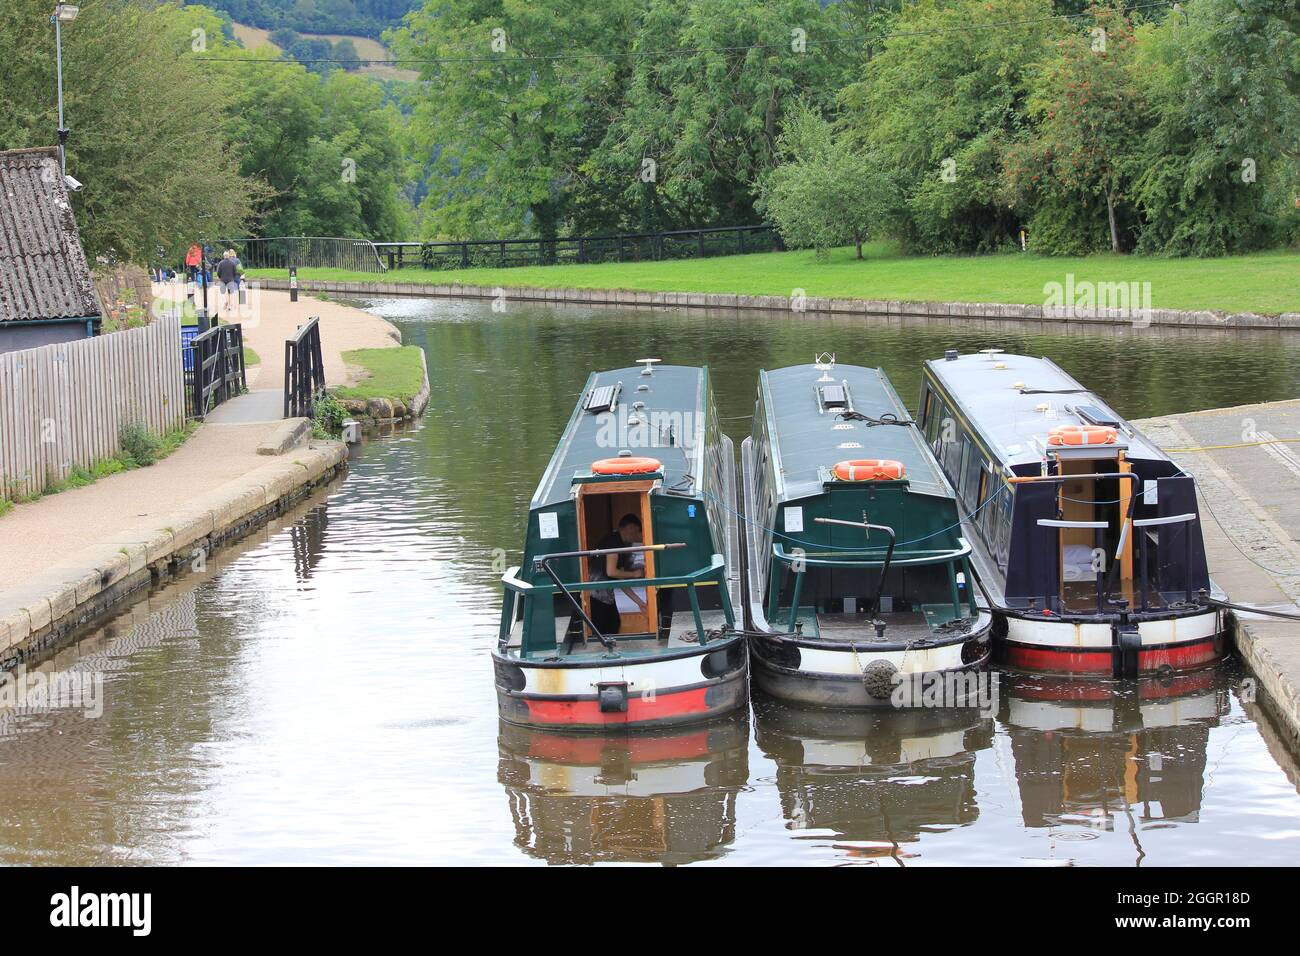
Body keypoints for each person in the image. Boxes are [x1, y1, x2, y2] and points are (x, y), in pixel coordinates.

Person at [587, 513, 645, 636]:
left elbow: (620, 577)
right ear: (631, 528)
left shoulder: (621, 544)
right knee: (605, 627)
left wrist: (639, 602)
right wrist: (634, 574)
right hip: (595, 594)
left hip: (605, 595)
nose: (639, 535)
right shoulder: (613, 542)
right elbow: (611, 571)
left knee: (613, 623)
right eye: (638, 531)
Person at [214, 250, 241, 314]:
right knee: (230, 293)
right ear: (228, 256)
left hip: (223, 279)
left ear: (223, 256)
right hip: (230, 279)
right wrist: (233, 277)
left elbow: (218, 272)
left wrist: (220, 277)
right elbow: (235, 272)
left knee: (224, 292)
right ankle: (230, 306)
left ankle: (226, 301)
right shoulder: (232, 263)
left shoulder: (220, 263)